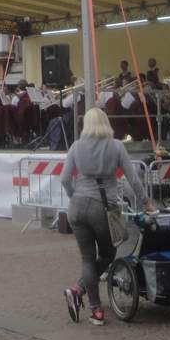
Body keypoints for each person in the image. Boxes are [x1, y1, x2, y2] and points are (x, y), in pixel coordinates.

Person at [61, 108, 154, 326]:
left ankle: (95, 310)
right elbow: (133, 178)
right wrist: (146, 203)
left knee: (86, 258)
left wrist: (75, 196)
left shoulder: (76, 146)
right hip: (104, 207)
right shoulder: (116, 146)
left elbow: (65, 179)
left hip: (77, 206)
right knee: (107, 253)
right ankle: (78, 289)